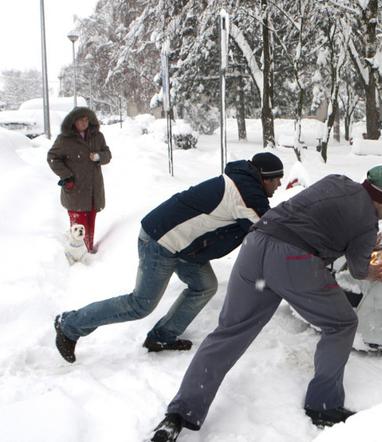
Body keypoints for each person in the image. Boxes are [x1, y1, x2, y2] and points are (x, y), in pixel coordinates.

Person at [148, 165, 382, 442]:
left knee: (229, 333)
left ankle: (178, 415)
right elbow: (359, 269)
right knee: (341, 324)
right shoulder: (367, 223)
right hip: (294, 261)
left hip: (256, 244)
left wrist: (357, 240)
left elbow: (323, 220)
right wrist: (371, 262)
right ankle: (323, 405)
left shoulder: (335, 181)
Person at [53, 152, 285, 363]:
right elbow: (268, 230)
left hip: (184, 247)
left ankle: (162, 337)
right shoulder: (246, 194)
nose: (279, 184)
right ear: (264, 177)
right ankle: (69, 325)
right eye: (277, 179)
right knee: (140, 304)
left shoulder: (244, 185)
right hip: (160, 241)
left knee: (204, 286)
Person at [47, 107, 112, 253]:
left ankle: (88, 250)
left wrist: (98, 157)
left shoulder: (98, 136)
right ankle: (78, 255)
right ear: (73, 121)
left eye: (86, 119)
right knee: (78, 226)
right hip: (75, 189)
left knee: (90, 222)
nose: (84, 122)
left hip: (94, 189)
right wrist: (66, 176)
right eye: (80, 120)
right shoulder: (64, 139)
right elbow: (52, 158)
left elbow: (107, 154)